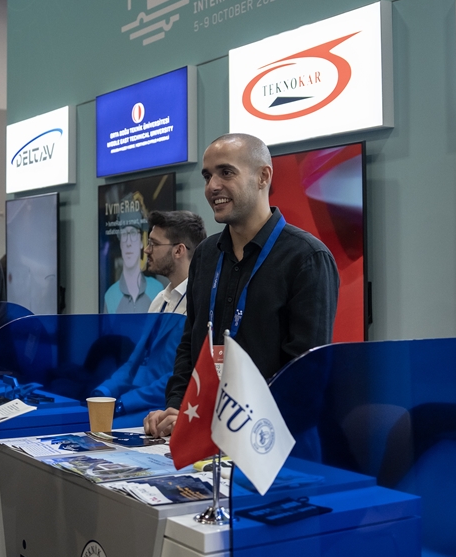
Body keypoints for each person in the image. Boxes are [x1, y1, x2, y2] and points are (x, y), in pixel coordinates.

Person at [144, 134, 339, 438]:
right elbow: (190, 346)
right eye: (207, 176)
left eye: (226, 172)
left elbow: (304, 376)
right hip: (204, 433)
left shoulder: (306, 258)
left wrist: (230, 424)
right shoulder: (206, 255)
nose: (212, 186)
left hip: (273, 440)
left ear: (263, 177)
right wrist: (178, 409)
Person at [90, 210, 206, 414]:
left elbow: (181, 375)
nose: (146, 250)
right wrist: (103, 392)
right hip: (140, 402)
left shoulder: (201, 302)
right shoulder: (160, 300)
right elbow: (134, 362)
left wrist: (124, 403)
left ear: (178, 250)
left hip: (167, 409)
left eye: (154, 243)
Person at [102, 207, 164, 313]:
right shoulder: (110, 296)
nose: (128, 242)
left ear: (141, 242)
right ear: (120, 243)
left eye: (133, 233)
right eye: (124, 234)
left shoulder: (157, 290)